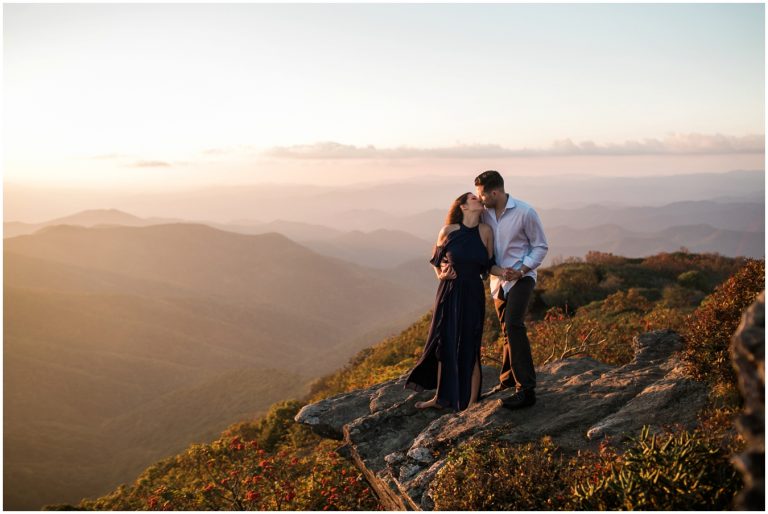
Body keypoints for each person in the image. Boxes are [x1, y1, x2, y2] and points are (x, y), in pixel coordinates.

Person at [404, 192, 507, 411]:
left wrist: (507, 272)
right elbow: (436, 261)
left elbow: (489, 265)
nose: (478, 199)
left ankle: (471, 404)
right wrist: (440, 274)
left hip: (473, 293)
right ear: (463, 207)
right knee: (445, 342)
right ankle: (440, 399)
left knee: (470, 344)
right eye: (473, 198)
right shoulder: (448, 231)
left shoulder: (485, 231)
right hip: (449, 292)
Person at [473, 170, 548, 409]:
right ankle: (507, 379)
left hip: (522, 277)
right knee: (507, 330)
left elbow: (540, 246)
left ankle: (526, 390)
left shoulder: (525, 212)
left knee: (514, 325)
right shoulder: (483, 216)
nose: (480, 199)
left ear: (494, 192)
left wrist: (523, 270)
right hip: (498, 280)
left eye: (482, 195)